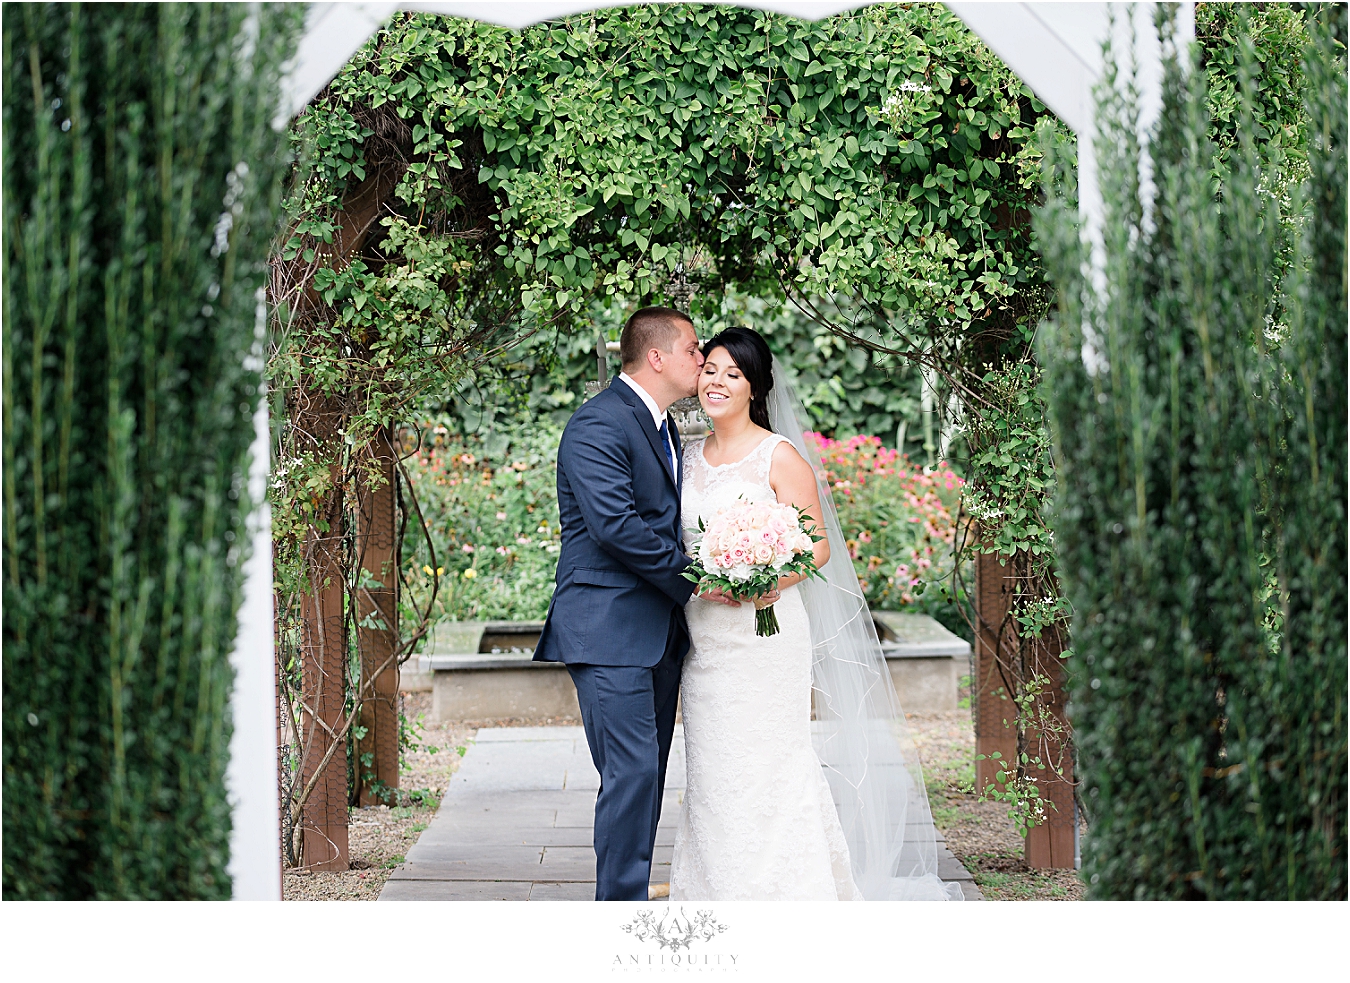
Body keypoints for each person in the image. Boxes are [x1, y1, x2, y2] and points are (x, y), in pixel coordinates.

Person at [668, 326, 959, 901]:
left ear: (755, 387)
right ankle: (717, 895)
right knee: (714, 773)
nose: (717, 382)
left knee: (770, 766)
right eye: (710, 370)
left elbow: (817, 545)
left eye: (734, 373)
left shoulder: (779, 456)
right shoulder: (687, 456)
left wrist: (759, 579)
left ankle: (790, 896)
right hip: (706, 636)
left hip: (765, 631)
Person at [533, 306, 736, 902]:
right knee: (633, 775)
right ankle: (617, 917)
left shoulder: (663, 426)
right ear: (658, 357)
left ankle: (627, 902)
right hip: (608, 628)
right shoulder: (598, 424)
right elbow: (614, 527)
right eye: (695, 350)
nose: (702, 361)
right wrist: (697, 580)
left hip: (657, 631)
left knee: (645, 780)